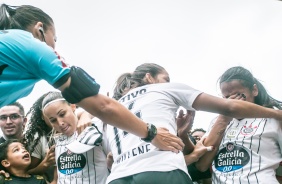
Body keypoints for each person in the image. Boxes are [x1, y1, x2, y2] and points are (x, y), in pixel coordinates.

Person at [0, 3, 184, 154]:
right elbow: (101, 105)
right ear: (40, 30)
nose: (55, 46)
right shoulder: (30, 45)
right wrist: (151, 133)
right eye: (54, 38)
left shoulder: (12, 58)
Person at [69, 63, 282, 184]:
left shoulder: (117, 107)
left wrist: (183, 134)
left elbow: (107, 154)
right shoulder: (165, 90)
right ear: (150, 78)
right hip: (161, 173)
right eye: (166, 77)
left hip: (117, 178)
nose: (233, 99)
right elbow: (229, 109)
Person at [195, 66, 282, 183]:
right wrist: (223, 119)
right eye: (226, 97)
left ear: (254, 90)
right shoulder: (216, 122)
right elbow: (202, 165)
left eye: (239, 95)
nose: (233, 101)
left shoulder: (275, 117)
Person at [41, 91, 110, 184]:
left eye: (62, 114)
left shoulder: (95, 127)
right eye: (53, 120)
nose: (60, 123)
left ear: (73, 106)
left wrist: (86, 114)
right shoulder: (57, 141)